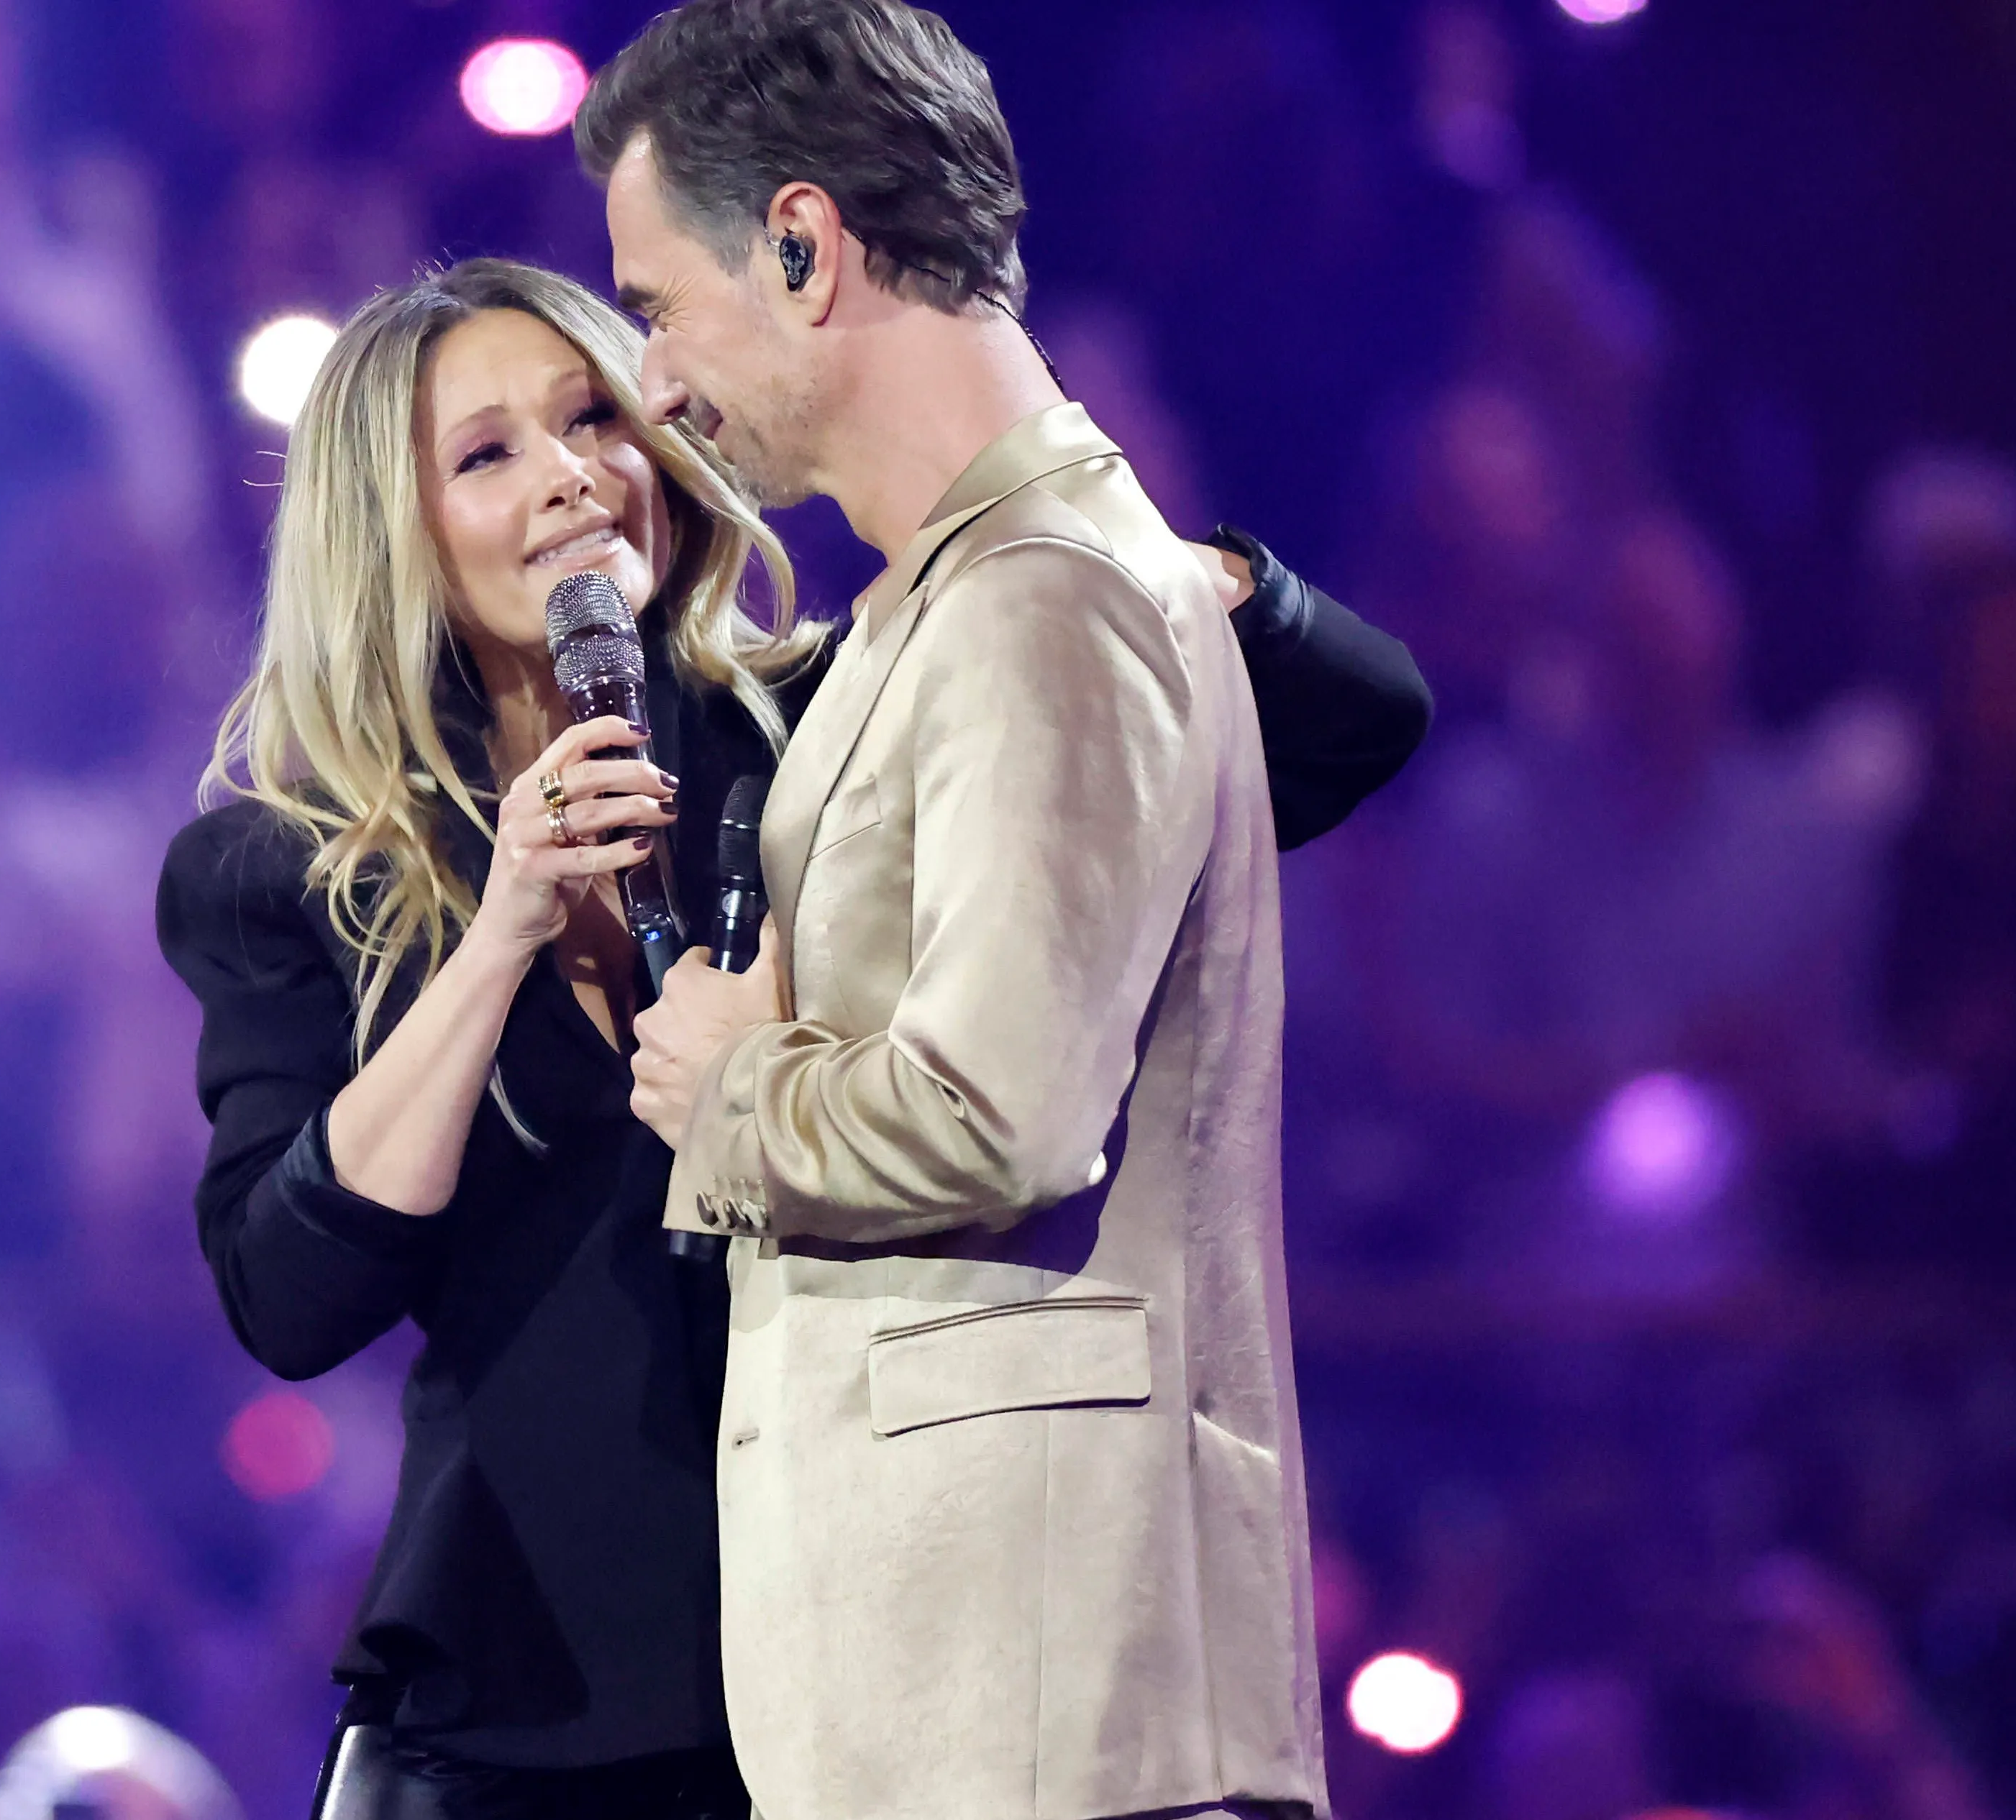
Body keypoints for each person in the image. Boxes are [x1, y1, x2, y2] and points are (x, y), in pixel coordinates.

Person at [155, 255, 1421, 1814]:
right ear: (392, 533)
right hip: (528, 1689)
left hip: (873, 1649)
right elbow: (292, 1293)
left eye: (594, 417)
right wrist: (503, 926)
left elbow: (1356, 721)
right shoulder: (291, 871)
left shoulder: (836, 718)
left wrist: (1119, 559)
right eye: (487, 454)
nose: (571, 475)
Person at [587, 4, 1323, 1818]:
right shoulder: (956, 597)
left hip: (1051, 1704)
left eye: (660, 308)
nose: (657, 388)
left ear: (804, 244)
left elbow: (1007, 1104)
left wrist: (731, 1086)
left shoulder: (1045, 595)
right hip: (974, 1695)